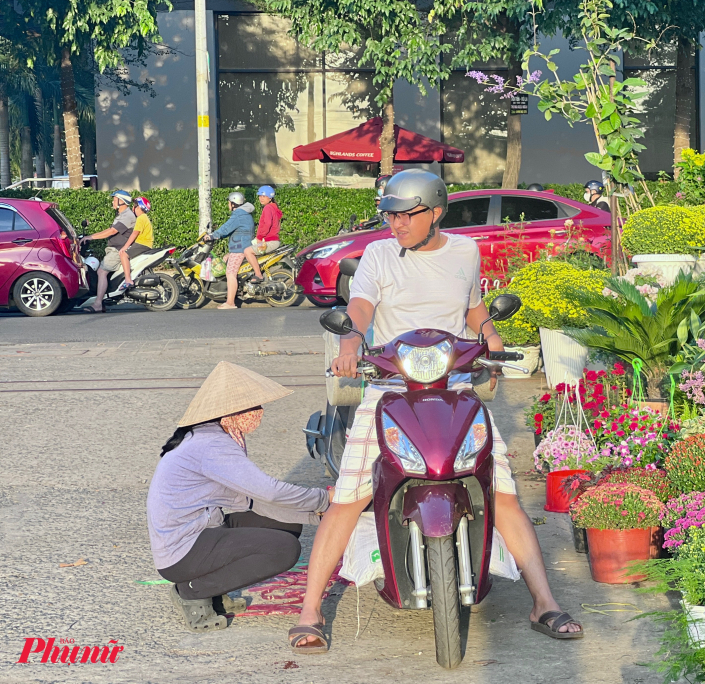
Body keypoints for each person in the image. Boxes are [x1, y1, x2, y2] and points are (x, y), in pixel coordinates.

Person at [289, 169, 583, 653]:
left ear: (436, 212)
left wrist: (489, 334)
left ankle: (543, 601)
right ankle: (311, 611)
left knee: (503, 490)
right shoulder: (379, 255)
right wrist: (349, 341)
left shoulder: (464, 252)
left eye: (406, 215)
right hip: (387, 387)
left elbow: (471, 305)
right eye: (390, 214)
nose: (396, 224)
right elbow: (360, 307)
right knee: (348, 497)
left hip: (456, 387)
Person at [147, 361, 333, 632]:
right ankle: (193, 590)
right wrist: (324, 499)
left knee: (288, 526)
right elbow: (268, 491)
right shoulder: (213, 445)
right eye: (252, 407)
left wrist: (319, 515)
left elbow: (251, 501)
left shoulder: (211, 434)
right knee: (284, 549)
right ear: (230, 412)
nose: (259, 412)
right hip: (182, 552)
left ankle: (215, 586)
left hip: (202, 531)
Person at [80, 190, 136, 313]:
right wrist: (91, 236)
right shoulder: (122, 215)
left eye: (114, 199)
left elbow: (111, 232)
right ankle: (104, 300)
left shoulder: (127, 216)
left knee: (101, 271)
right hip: (114, 249)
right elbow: (110, 229)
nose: (112, 201)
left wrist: (91, 237)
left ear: (121, 201)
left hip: (118, 250)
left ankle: (98, 304)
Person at [209, 193, 255, 310]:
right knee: (225, 259)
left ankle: (230, 303)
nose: (227, 204)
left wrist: (213, 236)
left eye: (228, 202)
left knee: (230, 273)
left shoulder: (238, 215)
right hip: (241, 246)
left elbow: (226, 228)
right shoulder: (245, 213)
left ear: (233, 203)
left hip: (240, 248)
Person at [244, 186, 282, 281]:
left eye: (264, 196)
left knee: (247, 251)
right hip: (272, 241)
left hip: (269, 241)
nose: (261, 198)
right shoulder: (273, 207)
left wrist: (260, 237)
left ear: (270, 197)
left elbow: (267, 224)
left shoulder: (268, 208)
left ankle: (258, 275)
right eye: (260, 196)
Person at [117, 196, 154, 292]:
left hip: (143, 244)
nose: (133, 208)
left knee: (123, 255)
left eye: (135, 206)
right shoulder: (144, 218)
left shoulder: (141, 218)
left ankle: (128, 280)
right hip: (145, 244)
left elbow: (135, 233)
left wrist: (125, 247)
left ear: (139, 208)